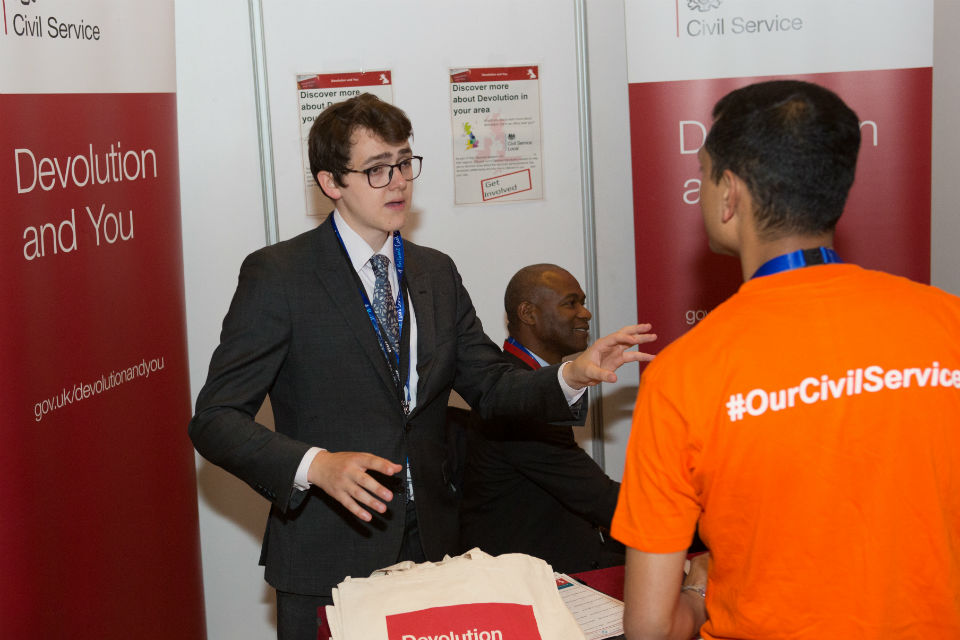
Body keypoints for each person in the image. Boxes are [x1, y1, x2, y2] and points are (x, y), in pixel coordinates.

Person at [188, 93, 656, 640]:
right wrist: (315, 466)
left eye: (405, 163)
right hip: (326, 553)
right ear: (331, 182)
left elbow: (491, 386)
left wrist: (569, 375)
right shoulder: (280, 275)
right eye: (377, 169)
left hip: (434, 548)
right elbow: (215, 418)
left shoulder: (435, 272)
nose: (398, 182)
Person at [611, 79, 960, 639]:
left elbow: (649, 628)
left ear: (730, 193)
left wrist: (698, 589)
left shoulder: (683, 375)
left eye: (702, 172)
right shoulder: (950, 325)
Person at [459, 264, 625, 574]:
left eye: (583, 302)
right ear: (528, 313)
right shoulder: (513, 398)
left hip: (561, 556)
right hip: (534, 581)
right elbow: (599, 498)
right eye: (570, 303)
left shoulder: (529, 382)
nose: (586, 314)